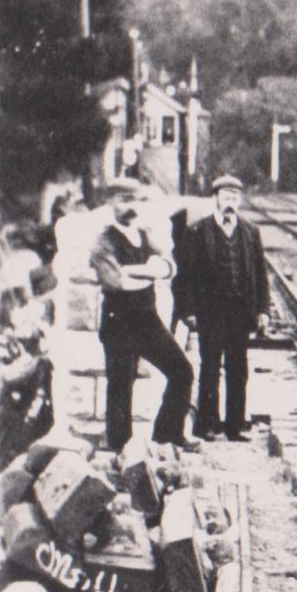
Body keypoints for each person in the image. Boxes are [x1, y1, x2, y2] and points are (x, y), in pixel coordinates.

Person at [90, 178, 195, 452]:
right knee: (121, 388)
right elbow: (116, 281)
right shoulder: (103, 241)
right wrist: (150, 272)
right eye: (123, 200)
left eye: (134, 200)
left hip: (147, 319)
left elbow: (170, 267)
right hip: (118, 322)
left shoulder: (145, 235)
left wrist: (143, 271)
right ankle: (120, 451)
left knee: (182, 371)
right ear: (110, 203)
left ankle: (167, 436)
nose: (130, 207)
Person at [172, 173, 268, 442]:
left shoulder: (250, 231)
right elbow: (186, 275)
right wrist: (188, 310)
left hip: (240, 311)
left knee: (239, 369)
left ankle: (235, 425)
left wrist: (263, 310)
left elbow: (260, 274)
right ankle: (207, 424)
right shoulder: (198, 231)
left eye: (235, 197)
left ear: (240, 200)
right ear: (215, 198)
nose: (230, 202)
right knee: (210, 367)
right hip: (210, 311)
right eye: (226, 196)